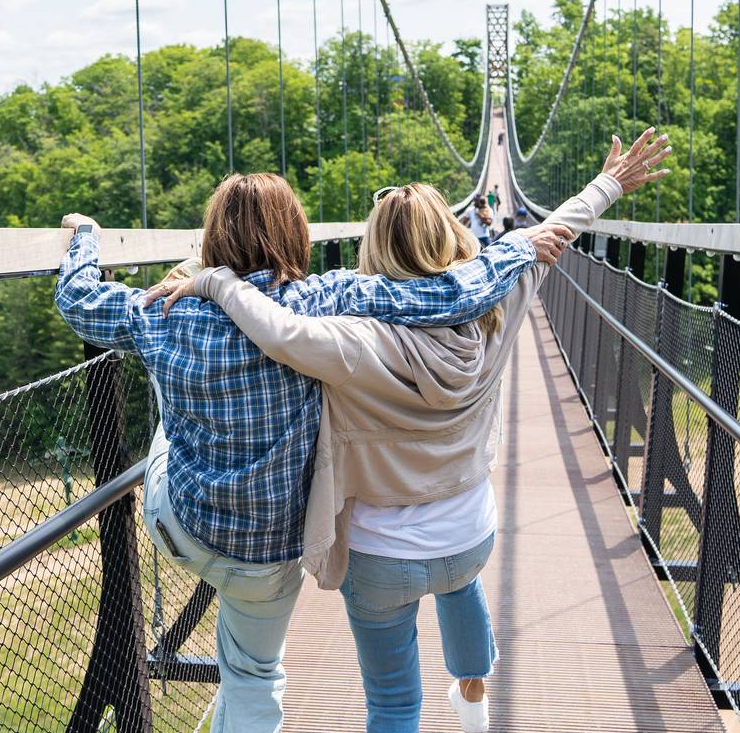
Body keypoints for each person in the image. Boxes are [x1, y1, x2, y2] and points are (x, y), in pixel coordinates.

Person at [146, 127, 672, 733]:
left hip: (379, 558)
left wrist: (213, 278)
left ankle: (447, 704)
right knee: (457, 579)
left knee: (394, 705)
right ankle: (473, 703)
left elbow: (280, 332)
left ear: (373, 253)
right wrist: (609, 184)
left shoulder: (351, 338)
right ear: (454, 241)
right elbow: (553, 230)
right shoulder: (505, 303)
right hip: (469, 536)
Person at [54, 173, 575, 733]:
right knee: (255, 675)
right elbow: (446, 291)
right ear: (295, 232)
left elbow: (77, 300)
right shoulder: (328, 299)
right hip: (276, 542)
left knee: (166, 422)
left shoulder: (158, 311)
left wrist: (84, 237)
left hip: (187, 524)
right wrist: (520, 247)